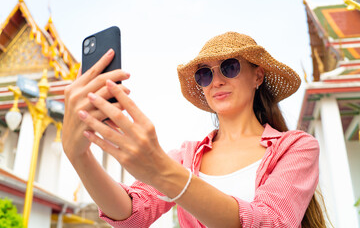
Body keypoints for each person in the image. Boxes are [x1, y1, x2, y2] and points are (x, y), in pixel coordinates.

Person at [62, 31, 326, 227]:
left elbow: (272, 222)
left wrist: (164, 173)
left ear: (258, 76)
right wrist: (79, 156)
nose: (217, 81)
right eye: (205, 74)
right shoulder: (186, 157)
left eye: (229, 67)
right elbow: (132, 214)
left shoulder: (296, 147)